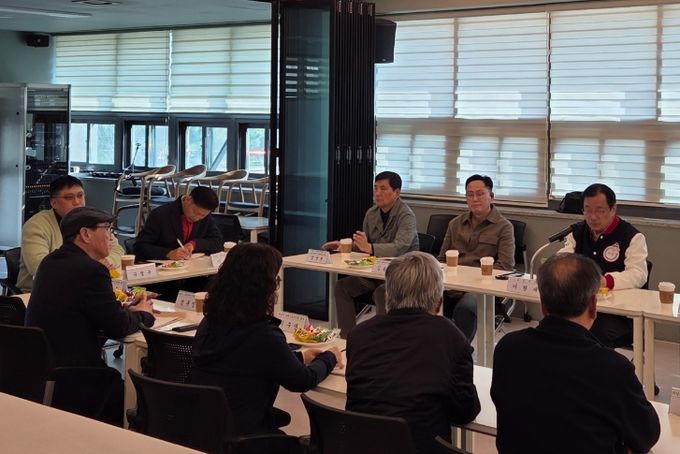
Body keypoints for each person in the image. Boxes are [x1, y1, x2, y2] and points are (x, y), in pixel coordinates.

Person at [491, 253, 659, 454]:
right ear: (593, 306)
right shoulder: (613, 368)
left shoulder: (508, 348)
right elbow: (646, 435)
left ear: (543, 305)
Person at [191, 243, 342, 435]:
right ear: (263, 286)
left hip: (203, 427)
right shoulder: (263, 334)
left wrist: (299, 358)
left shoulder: (209, 322)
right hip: (245, 433)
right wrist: (329, 357)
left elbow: (243, 362)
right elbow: (303, 381)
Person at [25, 207, 155, 425]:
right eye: (107, 229)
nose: (112, 237)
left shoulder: (50, 262)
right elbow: (118, 327)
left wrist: (123, 311)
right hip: (75, 374)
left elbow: (86, 308)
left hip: (41, 366)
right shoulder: (91, 270)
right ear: (85, 234)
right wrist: (144, 314)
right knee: (133, 397)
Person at [346, 251, 480, 454]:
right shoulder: (450, 337)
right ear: (438, 301)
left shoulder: (359, 334)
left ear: (388, 295)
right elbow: (464, 412)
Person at [323, 171, 418, 338]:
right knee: (342, 287)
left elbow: (399, 248)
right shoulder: (371, 214)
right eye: (375, 188)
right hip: (374, 272)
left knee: (383, 292)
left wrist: (370, 248)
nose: (378, 193)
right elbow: (365, 247)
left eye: (383, 188)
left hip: (400, 275)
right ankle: (348, 339)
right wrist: (345, 247)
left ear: (397, 192)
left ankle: (381, 341)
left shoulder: (406, 215)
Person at [558, 183, 648, 348]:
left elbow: (638, 274)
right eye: (587, 211)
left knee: (590, 337)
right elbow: (564, 258)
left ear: (613, 209)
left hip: (618, 313)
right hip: (581, 306)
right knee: (553, 327)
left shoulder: (632, 236)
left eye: (600, 211)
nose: (593, 217)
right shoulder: (577, 232)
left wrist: (606, 281)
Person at [436, 174, 514, 341]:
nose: (475, 199)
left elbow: (504, 267)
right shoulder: (455, 224)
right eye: (470, 194)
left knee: (466, 306)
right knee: (421, 300)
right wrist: (450, 283)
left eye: (480, 194)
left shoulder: (504, 227)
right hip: (450, 285)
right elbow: (442, 260)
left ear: (491, 196)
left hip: (483, 288)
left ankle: (461, 350)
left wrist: (465, 285)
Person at [17, 175, 124, 292]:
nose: (77, 202)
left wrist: (105, 262)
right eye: (69, 198)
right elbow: (40, 267)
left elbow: (117, 250)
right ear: (54, 203)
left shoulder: (91, 220)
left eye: (80, 196)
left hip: (85, 286)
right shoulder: (36, 226)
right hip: (40, 292)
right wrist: (93, 265)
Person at [134, 186, 223, 261]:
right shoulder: (161, 214)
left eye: (202, 215)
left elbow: (217, 242)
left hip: (192, 270)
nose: (197, 218)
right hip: (163, 271)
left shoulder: (205, 216)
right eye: (195, 212)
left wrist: (194, 244)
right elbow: (140, 247)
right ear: (188, 199)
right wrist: (168, 253)